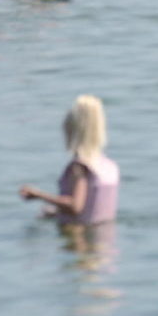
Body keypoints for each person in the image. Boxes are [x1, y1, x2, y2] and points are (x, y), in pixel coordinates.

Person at [20, 95, 120, 226]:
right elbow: (91, 207)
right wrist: (58, 212)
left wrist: (38, 195)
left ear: (72, 130)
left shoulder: (79, 167)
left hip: (79, 241)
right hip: (106, 241)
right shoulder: (108, 166)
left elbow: (75, 207)